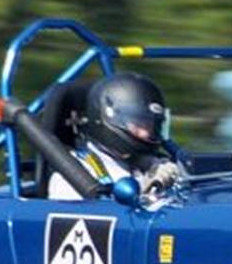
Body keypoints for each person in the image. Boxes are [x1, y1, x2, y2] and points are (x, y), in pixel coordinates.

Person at [47, 72, 181, 201]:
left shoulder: (154, 164)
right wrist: (145, 192)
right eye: (138, 124)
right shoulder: (71, 176)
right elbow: (95, 219)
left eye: (150, 125)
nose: (145, 133)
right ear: (108, 120)